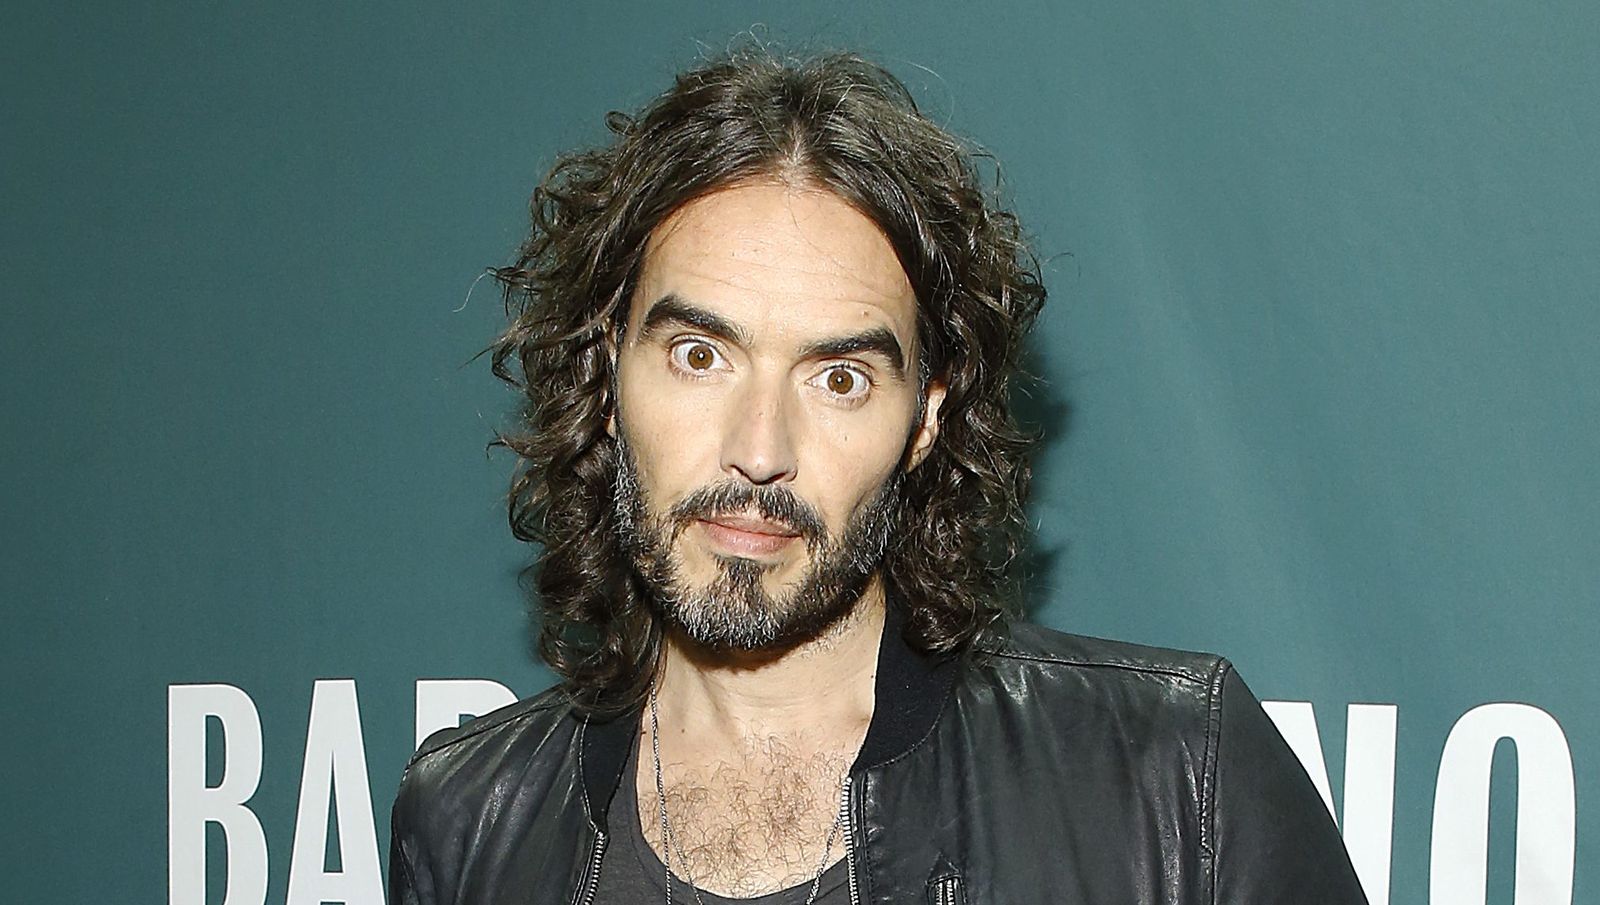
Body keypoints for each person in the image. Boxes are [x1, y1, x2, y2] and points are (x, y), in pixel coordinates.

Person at [388, 49, 1369, 905]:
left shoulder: (1175, 779)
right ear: (606, 376)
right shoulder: (471, 820)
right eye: (699, 355)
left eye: (840, 378)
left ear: (924, 418)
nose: (759, 447)